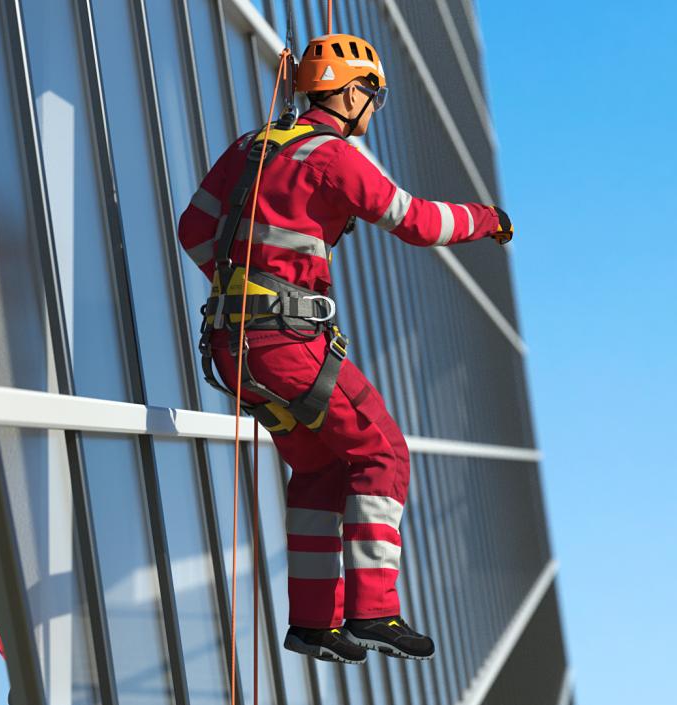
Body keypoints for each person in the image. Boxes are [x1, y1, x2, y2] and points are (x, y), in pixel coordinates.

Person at [178, 33, 514, 665]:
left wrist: (242, 291)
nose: (374, 110)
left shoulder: (251, 147)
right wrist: (487, 218)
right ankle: (374, 610)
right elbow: (415, 221)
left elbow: (193, 229)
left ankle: (312, 624)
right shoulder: (334, 156)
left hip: (232, 348)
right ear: (350, 89)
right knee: (381, 451)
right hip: (288, 343)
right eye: (373, 95)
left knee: (321, 468)